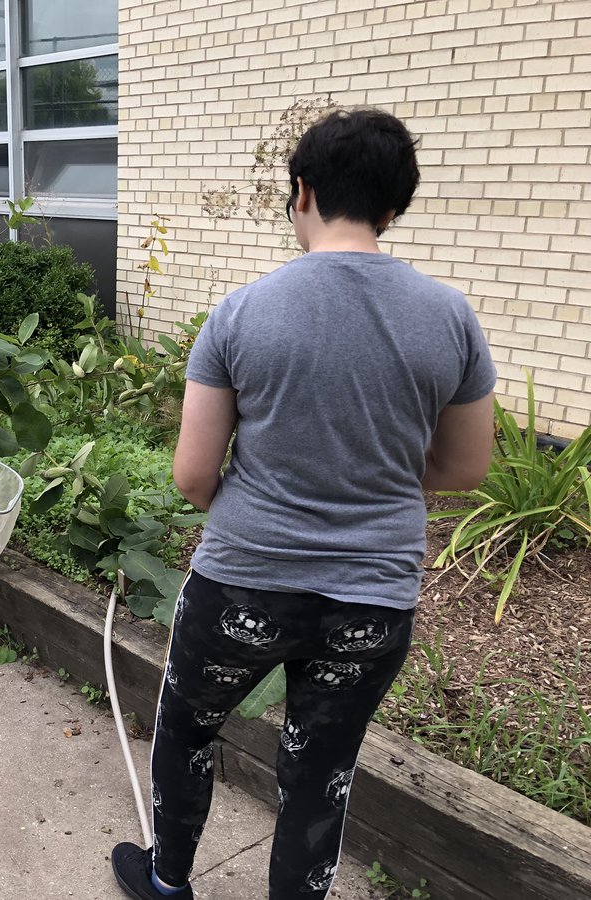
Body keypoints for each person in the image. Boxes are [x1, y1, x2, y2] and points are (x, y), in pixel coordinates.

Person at [111, 108, 497, 898]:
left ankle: (166, 881)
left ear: (302, 192)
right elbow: (465, 468)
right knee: (320, 771)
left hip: (242, 582)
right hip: (373, 597)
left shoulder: (243, 312)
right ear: (393, 208)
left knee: (187, 731)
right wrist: (374, 477)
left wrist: (261, 501)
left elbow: (191, 476)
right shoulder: (451, 318)